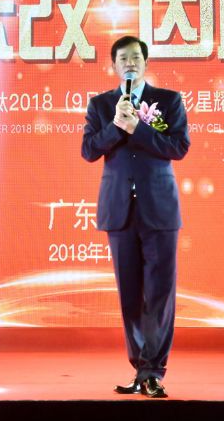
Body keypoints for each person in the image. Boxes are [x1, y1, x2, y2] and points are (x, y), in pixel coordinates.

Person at [81, 35, 190, 398]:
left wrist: (137, 129)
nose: (130, 63)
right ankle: (141, 370)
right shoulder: (101, 104)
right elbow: (88, 150)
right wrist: (115, 126)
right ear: (114, 65)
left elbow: (179, 147)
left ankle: (153, 371)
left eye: (136, 58)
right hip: (119, 210)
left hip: (159, 209)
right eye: (123, 58)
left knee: (160, 295)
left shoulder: (168, 101)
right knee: (130, 296)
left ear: (146, 63)